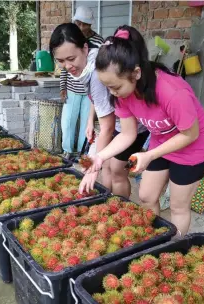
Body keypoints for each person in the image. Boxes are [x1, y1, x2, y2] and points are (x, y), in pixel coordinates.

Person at [79, 25, 204, 237]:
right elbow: (127, 134)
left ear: (136, 73)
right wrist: (98, 158)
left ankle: (172, 247)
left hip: (192, 146)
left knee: (179, 206)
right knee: (146, 196)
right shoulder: (122, 95)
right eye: (108, 87)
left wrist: (149, 154)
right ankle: (152, 238)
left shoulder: (172, 92)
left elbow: (190, 134)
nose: (112, 93)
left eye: (115, 87)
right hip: (161, 141)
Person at [50, 23, 150, 198]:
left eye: (71, 59)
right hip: (120, 124)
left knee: (116, 169)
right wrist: (90, 120)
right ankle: (106, 200)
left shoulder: (96, 71)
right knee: (108, 166)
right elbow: (95, 98)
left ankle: (117, 207)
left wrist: (92, 169)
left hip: (133, 126)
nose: (67, 66)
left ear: (85, 48)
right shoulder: (88, 65)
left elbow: (107, 128)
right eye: (60, 61)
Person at [59, 6, 104, 160]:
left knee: (86, 123)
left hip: (90, 91)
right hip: (72, 88)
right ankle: (67, 151)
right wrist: (62, 87)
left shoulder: (99, 41)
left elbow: (101, 67)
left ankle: (81, 152)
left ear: (89, 25)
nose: (81, 27)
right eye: (78, 23)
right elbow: (64, 66)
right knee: (68, 122)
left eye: (84, 24)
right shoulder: (71, 39)